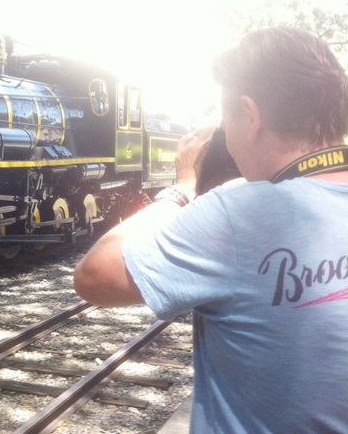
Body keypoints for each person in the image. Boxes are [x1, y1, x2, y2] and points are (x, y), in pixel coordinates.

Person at [74, 27, 348, 433]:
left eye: (225, 125)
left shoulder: (240, 214)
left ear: (251, 116)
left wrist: (183, 186)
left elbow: (94, 276)